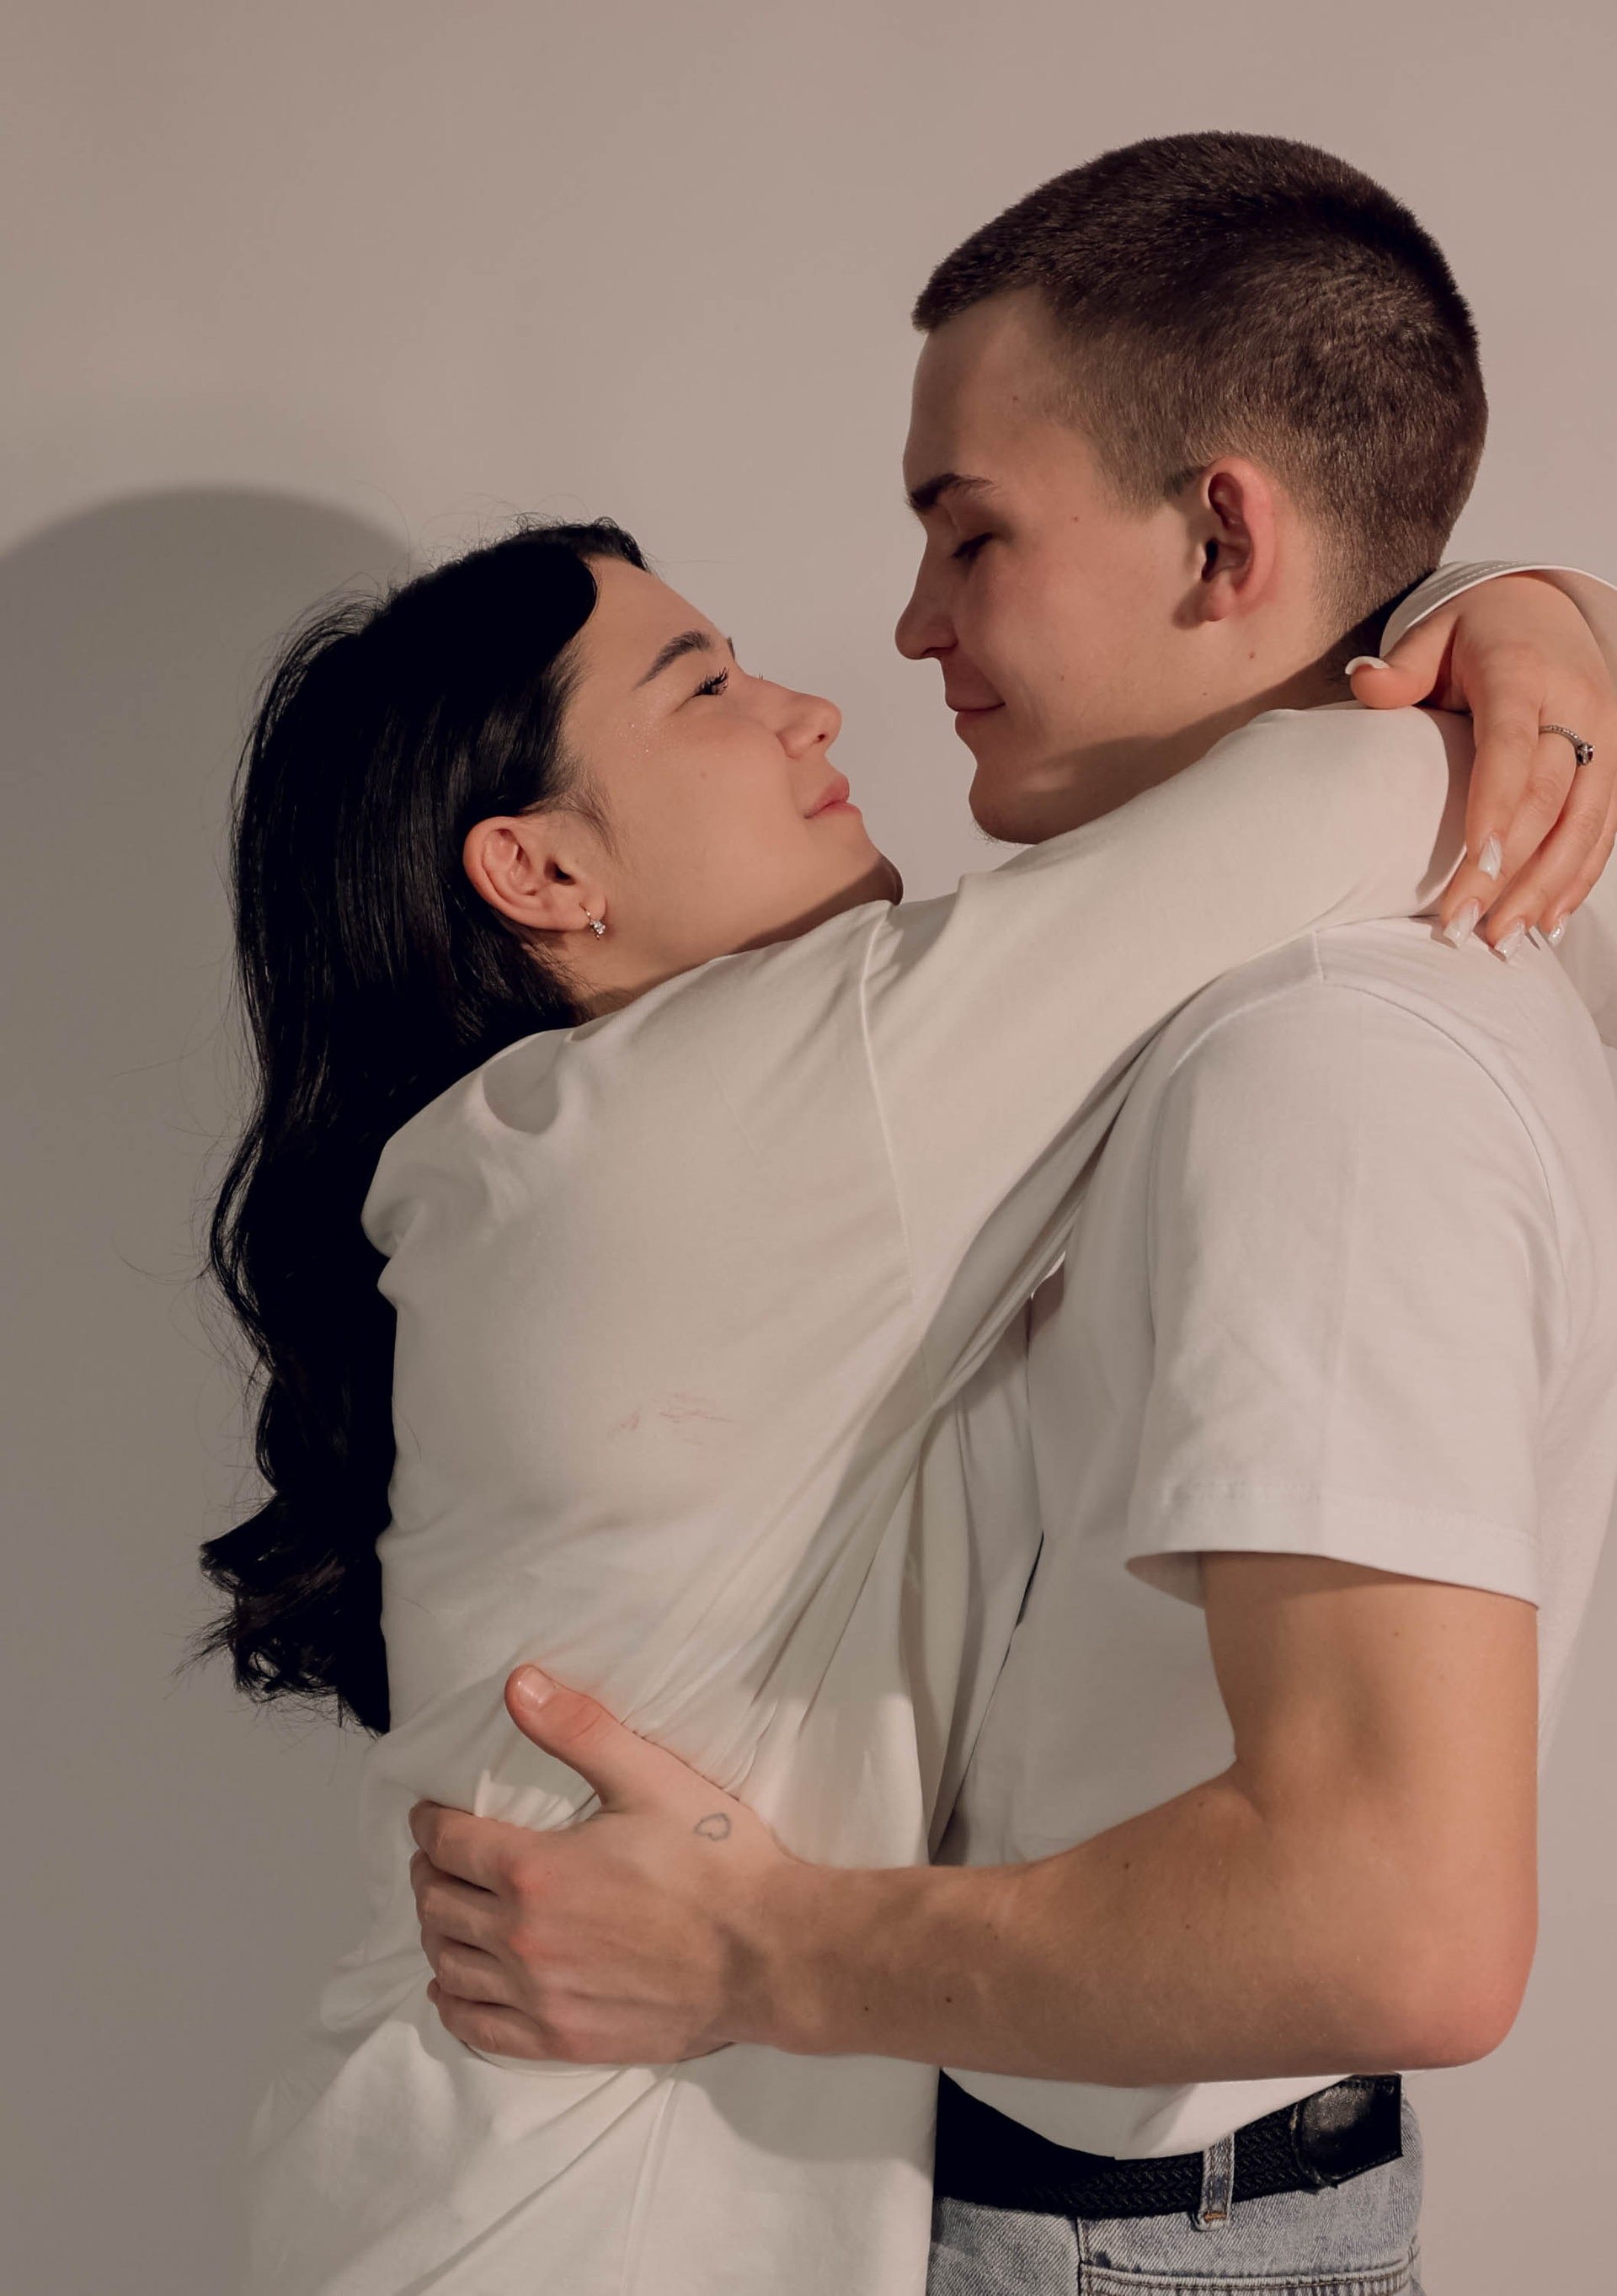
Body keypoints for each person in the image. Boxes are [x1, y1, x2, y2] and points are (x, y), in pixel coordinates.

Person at [403, 137, 1617, 2296]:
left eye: (971, 531)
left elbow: (1403, 1923)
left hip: (1116, 2236)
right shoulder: (1145, 1019)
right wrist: (1525, 620)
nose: (894, 635)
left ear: (1222, 534)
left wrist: (756, 1948)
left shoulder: (1314, 1064)